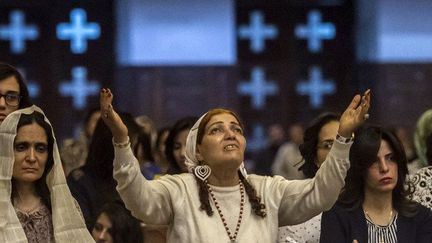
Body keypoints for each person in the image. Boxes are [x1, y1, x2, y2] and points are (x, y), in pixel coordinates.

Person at [100, 88, 370, 242]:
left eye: (236, 129)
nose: (230, 134)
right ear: (199, 151)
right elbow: (137, 199)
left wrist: (343, 137)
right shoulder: (179, 190)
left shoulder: (267, 191)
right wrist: (122, 141)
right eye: (217, 130)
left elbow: (322, 193)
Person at [320, 125, 432, 243]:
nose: (384, 168)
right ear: (360, 167)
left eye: (391, 158)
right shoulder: (337, 216)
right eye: (374, 161)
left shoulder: (421, 216)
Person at [0, 105, 93, 242]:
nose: (32, 157)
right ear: (5, 151)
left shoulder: (63, 206)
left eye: (40, 148)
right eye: (21, 147)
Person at [67, 112, 141, 230]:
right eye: (127, 145)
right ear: (110, 143)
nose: (132, 152)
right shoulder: (79, 182)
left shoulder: (133, 179)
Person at [277, 112, 340, 242]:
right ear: (315, 156)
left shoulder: (373, 197)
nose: (337, 152)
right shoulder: (294, 209)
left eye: (344, 143)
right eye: (328, 145)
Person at [60, 108, 101, 176]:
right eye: (96, 121)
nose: (99, 126)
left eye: (103, 122)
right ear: (87, 125)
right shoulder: (70, 148)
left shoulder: (114, 151)